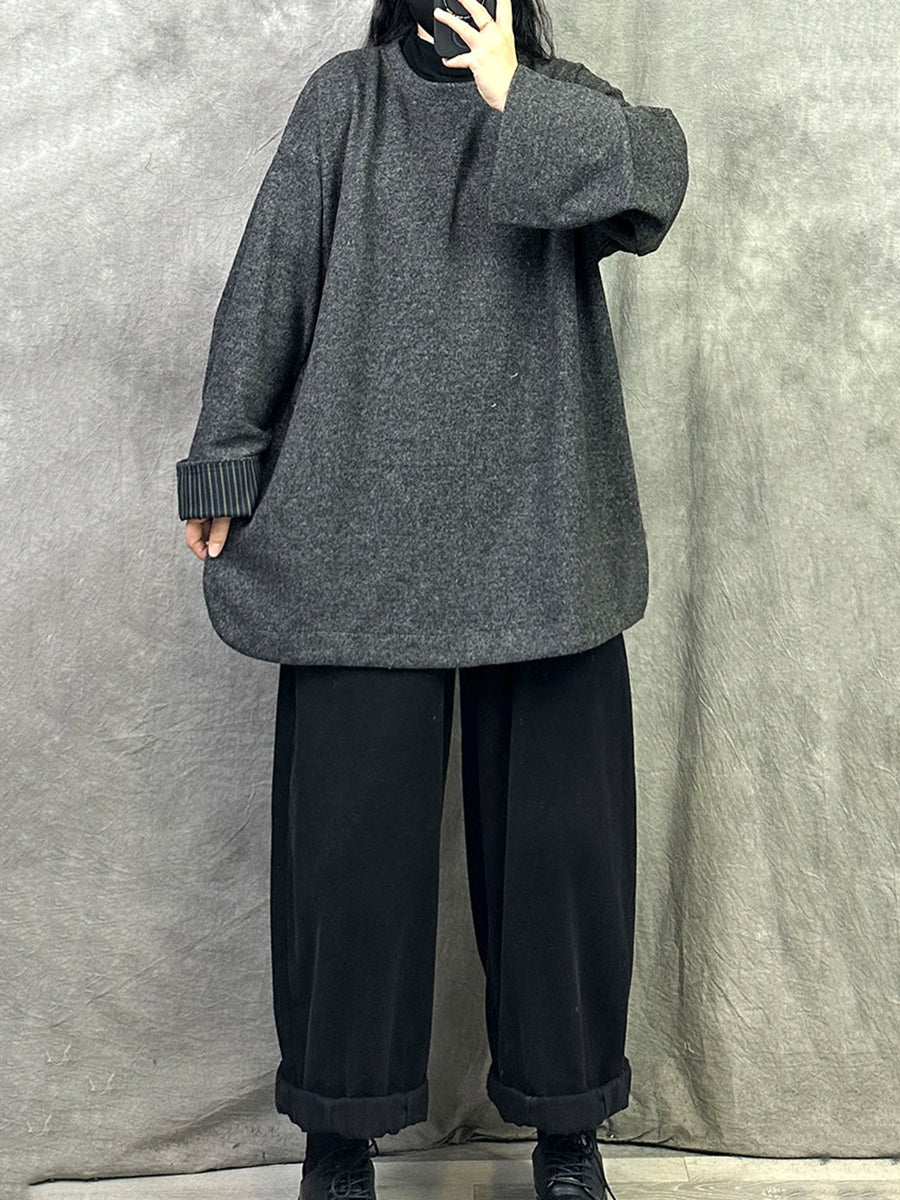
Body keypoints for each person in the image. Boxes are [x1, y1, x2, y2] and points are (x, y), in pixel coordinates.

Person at [177, 1, 689, 1196]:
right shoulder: (344, 102)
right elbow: (272, 279)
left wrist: (518, 96)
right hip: (362, 521)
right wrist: (224, 459)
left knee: (563, 851)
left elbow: (655, 179)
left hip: (544, 523)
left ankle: (568, 1132)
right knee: (347, 852)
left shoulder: (564, 101)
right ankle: (338, 1136)